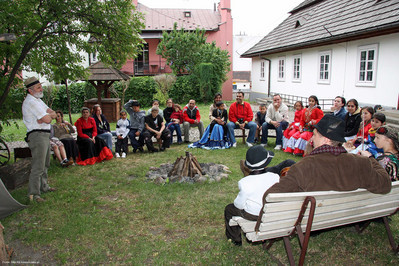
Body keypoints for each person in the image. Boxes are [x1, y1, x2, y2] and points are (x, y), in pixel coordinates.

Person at [263, 115, 391, 207]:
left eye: (314, 134)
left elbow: (270, 197)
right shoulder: (361, 163)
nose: (312, 138)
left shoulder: (304, 167)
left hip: (311, 220)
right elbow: (385, 185)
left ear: (325, 140)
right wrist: (370, 159)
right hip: (340, 215)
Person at [224, 146, 281, 246]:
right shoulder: (275, 177)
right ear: (266, 162)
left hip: (254, 215)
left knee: (229, 209)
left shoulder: (244, 182)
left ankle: (235, 239)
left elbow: (239, 205)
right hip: (272, 211)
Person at [22, 77, 57, 202]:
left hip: (44, 134)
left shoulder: (38, 100)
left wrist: (47, 116)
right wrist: (46, 117)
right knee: (38, 165)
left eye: (40, 86)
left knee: (45, 163)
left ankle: (44, 186)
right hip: (37, 135)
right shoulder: (30, 102)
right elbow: (48, 119)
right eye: (38, 87)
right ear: (30, 90)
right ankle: (34, 194)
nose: (41, 89)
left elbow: (52, 113)